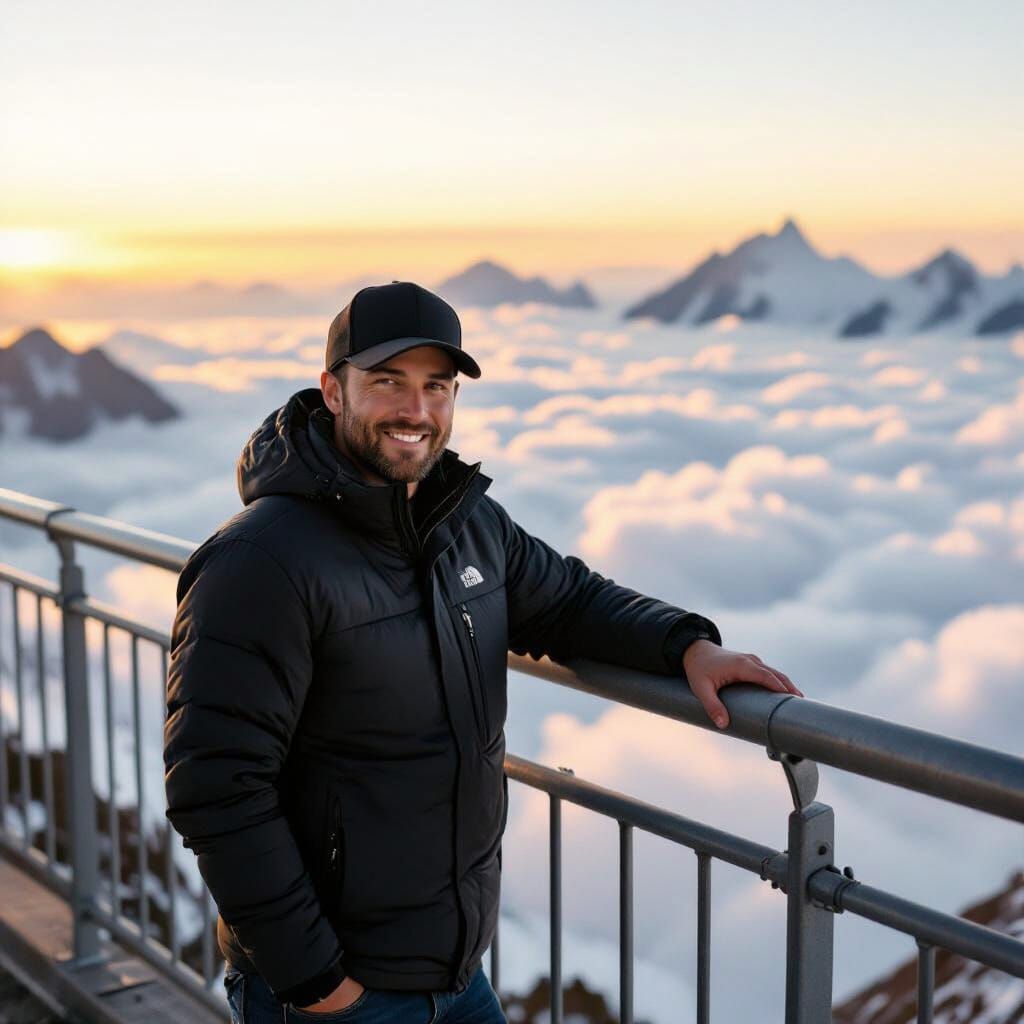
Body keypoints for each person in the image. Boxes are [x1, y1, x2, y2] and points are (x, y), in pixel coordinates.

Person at [163, 281, 802, 1024]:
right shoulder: (260, 562)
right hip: (334, 992)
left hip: (456, 974)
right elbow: (217, 789)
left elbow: (567, 600)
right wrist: (318, 985)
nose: (417, 411)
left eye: (437, 387)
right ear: (332, 391)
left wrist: (684, 644)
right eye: (387, 383)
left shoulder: (465, 523)